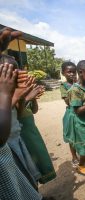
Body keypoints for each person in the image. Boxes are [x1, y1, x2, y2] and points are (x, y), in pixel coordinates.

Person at [0, 62, 42, 200]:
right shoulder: (5, 95)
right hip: (8, 146)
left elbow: (25, 111)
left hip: (16, 141)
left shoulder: (9, 93)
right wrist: (14, 95)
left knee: (28, 177)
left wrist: (26, 96)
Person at [18, 80, 56, 184]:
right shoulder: (12, 98)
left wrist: (33, 98)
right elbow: (17, 115)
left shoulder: (23, 95)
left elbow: (34, 110)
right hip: (23, 137)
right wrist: (26, 98)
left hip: (33, 134)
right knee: (28, 166)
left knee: (39, 162)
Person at [60, 61, 79, 167]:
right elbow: (67, 101)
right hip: (71, 113)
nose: (72, 74)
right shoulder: (63, 85)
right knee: (72, 138)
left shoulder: (79, 83)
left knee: (83, 134)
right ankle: (74, 156)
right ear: (63, 73)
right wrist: (74, 86)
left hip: (81, 112)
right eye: (69, 72)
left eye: (74, 72)